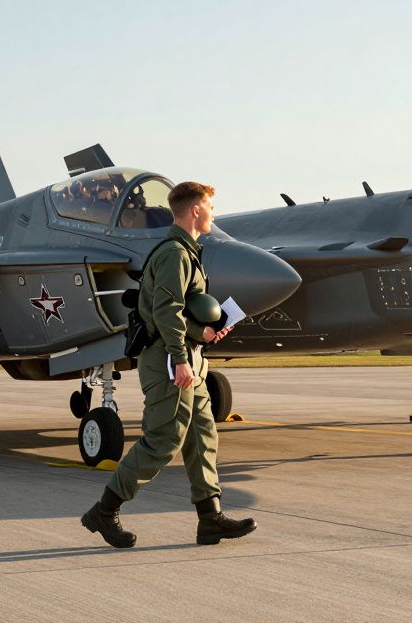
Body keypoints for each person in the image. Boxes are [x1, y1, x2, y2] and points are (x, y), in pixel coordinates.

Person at [81, 181, 255, 548]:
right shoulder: (174, 254)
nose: (213, 214)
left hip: (190, 356)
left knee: (201, 437)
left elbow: (178, 311)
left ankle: (210, 519)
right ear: (195, 210)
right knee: (163, 440)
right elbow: (165, 310)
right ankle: (104, 510)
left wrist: (203, 334)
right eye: (210, 207)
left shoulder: (188, 252)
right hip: (168, 361)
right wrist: (179, 357)